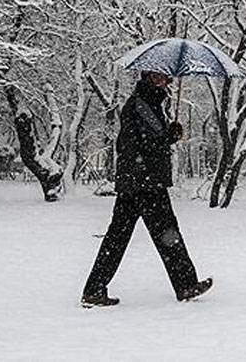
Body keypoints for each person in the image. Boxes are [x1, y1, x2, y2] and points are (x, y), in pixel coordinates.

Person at [81, 70, 212, 307]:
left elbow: (145, 140)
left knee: (118, 237)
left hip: (136, 181)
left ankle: (94, 289)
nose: (166, 81)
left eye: (166, 78)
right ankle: (185, 285)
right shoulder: (140, 105)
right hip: (144, 182)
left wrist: (166, 135)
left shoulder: (147, 103)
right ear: (150, 77)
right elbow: (140, 143)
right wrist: (168, 137)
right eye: (161, 77)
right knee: (167, 233)